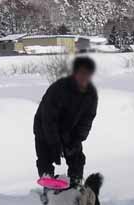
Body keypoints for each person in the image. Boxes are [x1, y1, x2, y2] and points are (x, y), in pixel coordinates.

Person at [33, 56, 98, 186]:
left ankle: (76, 182)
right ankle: (48, 182)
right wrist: (55, 144)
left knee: (76, 157)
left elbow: (86, 121)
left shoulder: (91, 95)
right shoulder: (58, 89)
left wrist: (76, 139)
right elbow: (48, 119)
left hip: (69, 130)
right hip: (44, 128)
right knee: (46, 155)